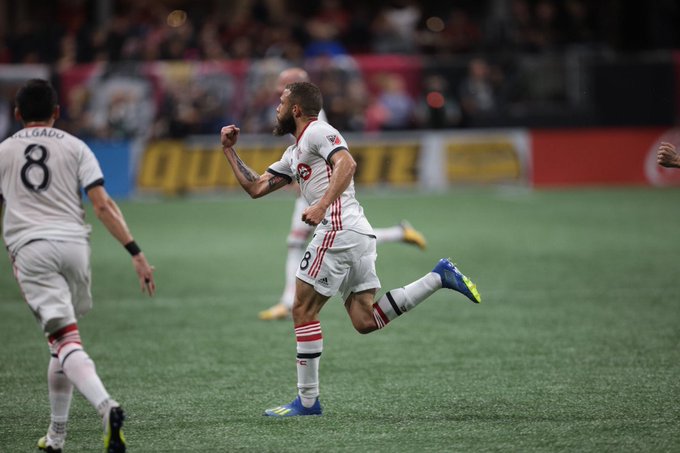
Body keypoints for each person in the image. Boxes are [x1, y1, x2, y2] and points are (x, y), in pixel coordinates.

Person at [219, 81, 481, 417]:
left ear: (296, 109)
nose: (277, 109)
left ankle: (308, 402)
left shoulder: (317, 131)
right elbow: (255, 187)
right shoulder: (294, 153)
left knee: (302, 309)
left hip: (338, 230)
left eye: (281, 103)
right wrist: (228, 150)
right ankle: (438, 277)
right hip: (358, 233)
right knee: (364, 319)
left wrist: (321, 205)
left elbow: (347, 164)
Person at [0, 79, 156, 452]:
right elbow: (102, 205)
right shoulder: (76, 146)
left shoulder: (3, 150)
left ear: (17, 114)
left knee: (64, 341)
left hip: (31, 248)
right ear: (57, 112)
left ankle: (107, 407)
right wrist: (135, 251)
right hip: (74, 247)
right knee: (63, 343)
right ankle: (56, 436)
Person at [258, 67, 427, 321]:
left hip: (320, 195)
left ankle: (287, 302)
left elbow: (334, 157)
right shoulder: (292, 115)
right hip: (314, 192)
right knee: (364, 316)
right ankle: (400, 234)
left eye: (284, 85)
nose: (278, 90)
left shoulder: (312, 121)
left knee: (304, 243)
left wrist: (314, 193)